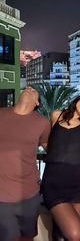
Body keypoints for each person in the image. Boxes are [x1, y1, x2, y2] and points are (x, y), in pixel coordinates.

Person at [41, 91, 80, 241]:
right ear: (79, 98)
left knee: (61, 233)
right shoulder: (56, 115)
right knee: (75, 234)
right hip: (54, 182)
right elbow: (47, 141)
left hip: (77, 183)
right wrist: (57, 153)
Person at [0, 87, 51, 241]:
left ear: (36, 103)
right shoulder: (1, 113)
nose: (29, 88)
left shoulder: (42, 122)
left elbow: (49, 145)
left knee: (27, 236)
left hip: (29, 192)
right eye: (27, 88)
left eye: (34, 91)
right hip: (2, 194)